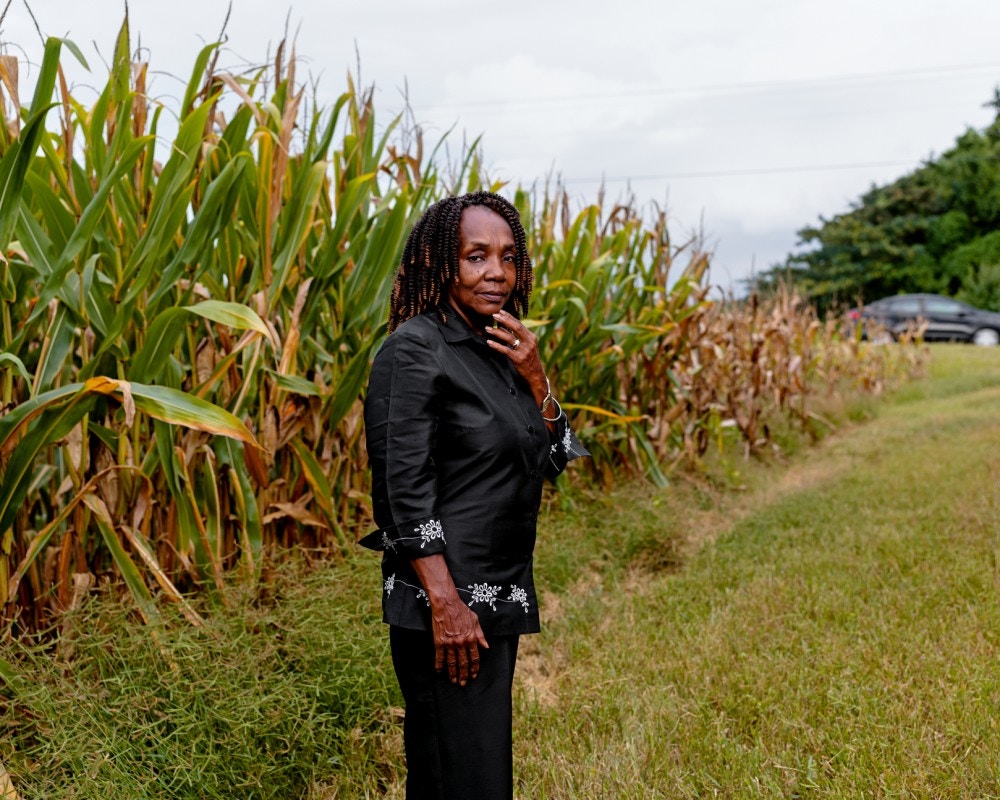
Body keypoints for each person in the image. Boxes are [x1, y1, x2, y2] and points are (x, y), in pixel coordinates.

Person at [360, 191, 588, 799]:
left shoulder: (498, 349)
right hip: (450, 604)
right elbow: (400, 490)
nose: (497, 274)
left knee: (464, 773)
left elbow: (557, 456)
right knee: (465, 776)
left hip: (497, 590)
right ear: (441, 263)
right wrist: (447, 605)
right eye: (476, 257)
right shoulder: (413, 350)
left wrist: (536, 377)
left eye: (509, 258)